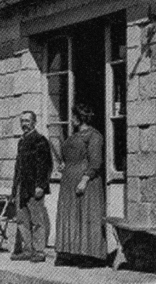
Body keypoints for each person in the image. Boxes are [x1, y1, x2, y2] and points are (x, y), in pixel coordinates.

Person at [55, 103, 107, 268]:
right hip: (68, 180)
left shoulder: (94, 136)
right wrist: (64, 163)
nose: (71, 120)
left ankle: (90, 255)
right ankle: (71, 252)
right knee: (70, 215)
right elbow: (68, 155)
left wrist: (85, 180)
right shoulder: (74, 136)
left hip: (86, 182)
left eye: (73, 116)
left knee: (86, 216)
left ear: (80, 117)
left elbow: (96, 161)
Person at [10, 110, 53, 263]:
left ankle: (39, 252)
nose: (24, 124)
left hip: (34, 188)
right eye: (22, 121)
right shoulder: (21, 141)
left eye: (27, 121)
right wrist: (14, 189)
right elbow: (18, 167)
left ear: (34, 122)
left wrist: (41, 185)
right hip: (22, 188)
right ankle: (27, 250)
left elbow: (46, 165)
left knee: (37, 221)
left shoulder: (40, 140)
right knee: (22, 220)